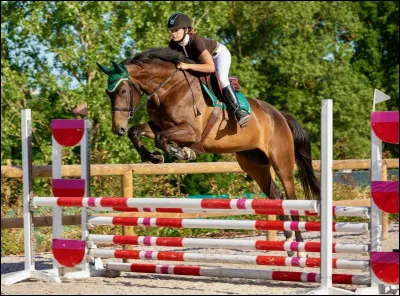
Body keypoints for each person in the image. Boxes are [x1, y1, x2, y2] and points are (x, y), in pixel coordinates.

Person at [167, 12, 250, 128]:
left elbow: (210, 67)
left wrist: (187, 66)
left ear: (185, 29)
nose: (172, 33)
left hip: (218, 55)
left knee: (221, 79)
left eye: (175, 30)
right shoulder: (173, 44)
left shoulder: (195, 41)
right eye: (171, 30)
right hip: (200, 62)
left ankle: (239, 111)